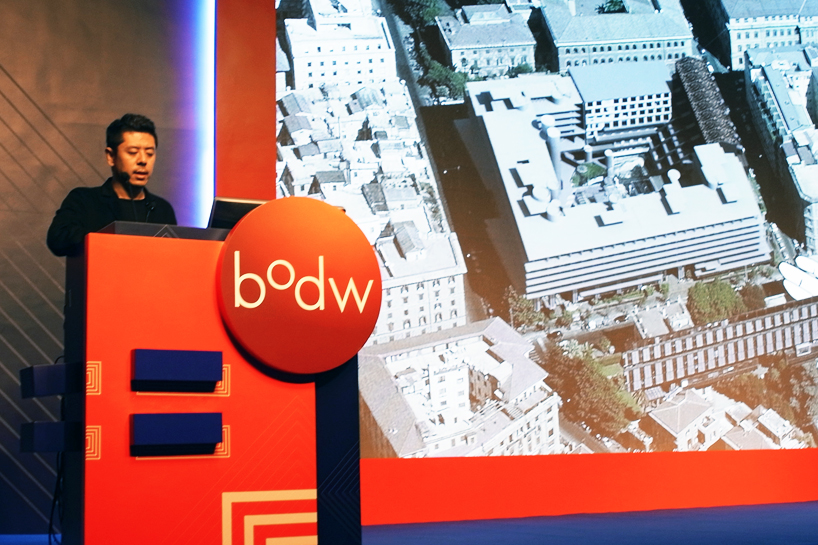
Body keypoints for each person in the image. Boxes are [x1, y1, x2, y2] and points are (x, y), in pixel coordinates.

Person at [46, 114, 177, 256]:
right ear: (111, 156)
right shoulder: (84, 200)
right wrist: (110, 243)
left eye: (150, 153)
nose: (143, 160)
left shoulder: (162, 209)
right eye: (133, 152)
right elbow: (57, 240)